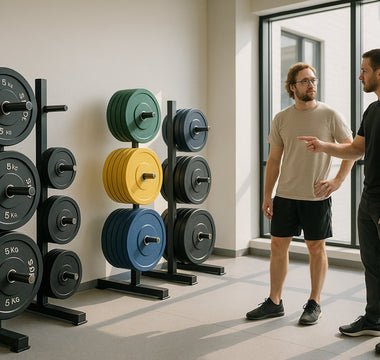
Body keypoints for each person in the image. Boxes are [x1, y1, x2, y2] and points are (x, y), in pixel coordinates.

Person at [246, 62, 354, 325]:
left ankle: (314, 302)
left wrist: (338, 180)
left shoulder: (329, 114)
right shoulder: (281, 118)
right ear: (292, 87)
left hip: (316, 196)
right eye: (305, 81)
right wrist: (267, 195)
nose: (311, 85)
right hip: (285, 195)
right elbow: (273, 160)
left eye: (314, 80)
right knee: (277, 246)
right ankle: (274, 301)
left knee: (316, 248)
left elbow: (350, 148)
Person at [298, 49, 380, 348]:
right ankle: (374, 319)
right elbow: (356, 149)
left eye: (365, 70)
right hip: (369, 200)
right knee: (372, 264)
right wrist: (323, 146)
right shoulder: (372, 111)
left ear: (379, 73)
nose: (360, 76)